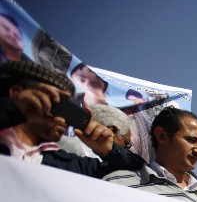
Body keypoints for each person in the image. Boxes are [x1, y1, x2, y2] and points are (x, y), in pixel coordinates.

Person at [0, 60, 142, 176]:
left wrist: (109, 151)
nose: (64, 117)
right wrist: (11, 110)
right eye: (58, 103)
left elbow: (137, 173)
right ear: (18, 95)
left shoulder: (68, 166)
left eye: (69, 107)